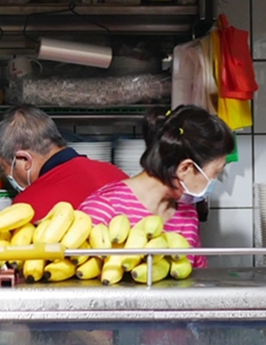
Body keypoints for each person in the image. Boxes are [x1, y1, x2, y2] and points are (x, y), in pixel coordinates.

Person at [80, 106, 234, 268]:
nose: (213, 181)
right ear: (185, 169)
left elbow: (197, 277)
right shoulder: (104, 209)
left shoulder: (187, 213)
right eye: (215, 173)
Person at [0, 105, 126, 220]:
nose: (6, 175)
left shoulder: (27, 208)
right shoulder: (118, 176)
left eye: (4, 167)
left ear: (25, 160)